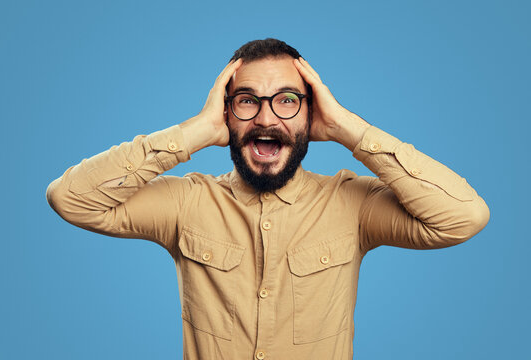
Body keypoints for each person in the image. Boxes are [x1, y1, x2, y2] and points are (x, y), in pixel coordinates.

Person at [46, 38, 490, 360]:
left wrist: (349, 130)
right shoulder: (187, 203)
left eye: (287, 100)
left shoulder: (352, 204)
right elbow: (72, 199)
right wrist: (195, 132)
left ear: (311, 112)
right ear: (227, 113)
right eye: (247, 101)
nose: (266, 117)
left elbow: (463, 217)